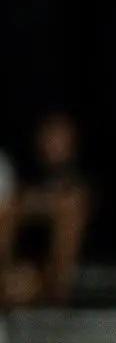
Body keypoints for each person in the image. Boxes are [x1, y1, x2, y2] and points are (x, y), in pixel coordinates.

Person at [0, 113, 90, 306]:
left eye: (60, 137)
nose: (54, 144)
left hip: (49, 281)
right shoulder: (18, 174)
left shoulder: (77, 192)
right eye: (50, 136)